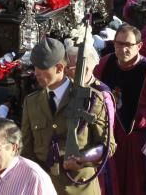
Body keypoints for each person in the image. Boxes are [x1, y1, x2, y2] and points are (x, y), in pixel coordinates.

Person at [20, 37, 114, 195]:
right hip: (44, 187)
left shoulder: (91, 99)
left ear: (58, 68)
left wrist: (82, 158)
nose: (36, 73)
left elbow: (107, 146)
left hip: (80, 187)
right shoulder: (32, 102)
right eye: (35, 67)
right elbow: (27, 151)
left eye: (42, 68)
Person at [94, 24, 146, 195]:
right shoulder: (106, 63)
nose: (123, 49)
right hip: (110, 137)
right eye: (119, 44)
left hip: (137, 142)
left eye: (128, 45)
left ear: (139, 46)